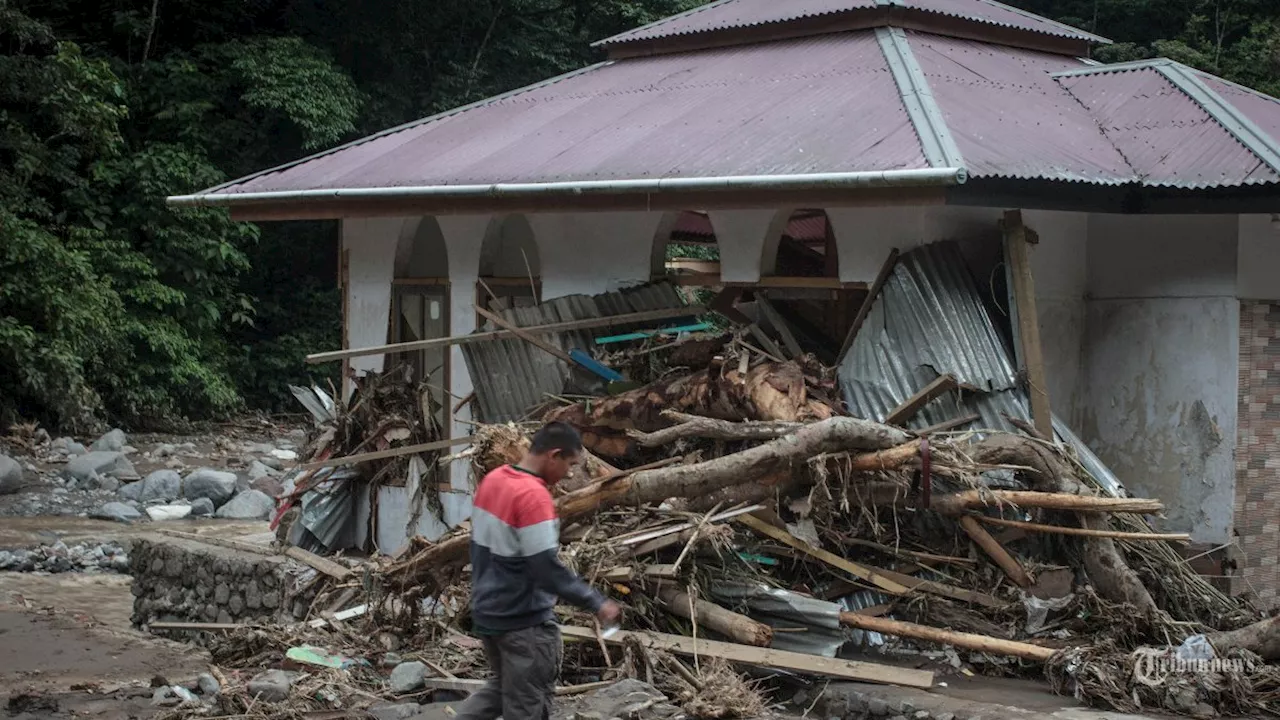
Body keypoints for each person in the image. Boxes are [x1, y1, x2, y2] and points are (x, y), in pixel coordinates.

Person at [456, 421, 622, 720]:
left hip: (489, 613)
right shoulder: (534, 498)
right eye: (569, 464)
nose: (569, 473)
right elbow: (546, 569)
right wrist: (596, 602)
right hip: (524, 623)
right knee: (528, 705)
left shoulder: (493, 480)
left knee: (500, 690)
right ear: (553, 455)